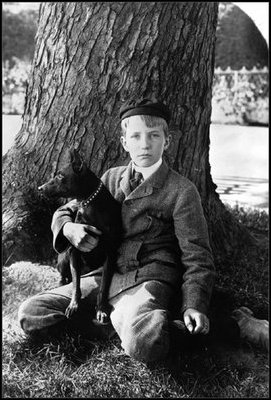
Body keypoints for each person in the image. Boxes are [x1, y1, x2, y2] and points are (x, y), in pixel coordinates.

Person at [18, 98, 268, 361]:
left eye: (153, 135)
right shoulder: (111, 178)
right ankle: (123, 324)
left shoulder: (181, 191)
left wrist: (194, 304)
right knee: (32, 313)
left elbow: (197, 257)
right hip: (103, 276)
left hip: (148, 279)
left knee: (144, 344)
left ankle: (237, 324)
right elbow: (67, 209)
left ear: (167, 141)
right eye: (135, 136)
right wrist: (68, 228)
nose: (144, 143)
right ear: (125, 142)